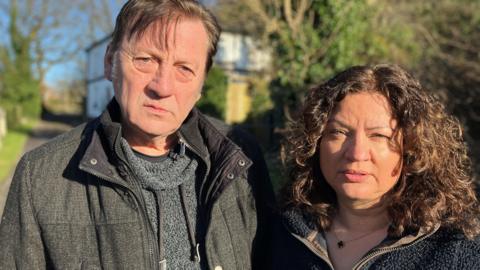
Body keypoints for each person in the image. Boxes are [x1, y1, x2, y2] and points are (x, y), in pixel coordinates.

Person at [0, 0, 275, 269]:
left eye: (184, 69)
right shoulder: (40, 176)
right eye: (145, 60)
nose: (163, 86)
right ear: (109, 63)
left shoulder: (240, 156)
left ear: (201, 83)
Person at [272, 64, 480, 269]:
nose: (356, 153)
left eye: (379, 136)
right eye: (339, 132)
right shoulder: (277, 237)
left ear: (412, 149)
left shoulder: (457, 249)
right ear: (315, 142)